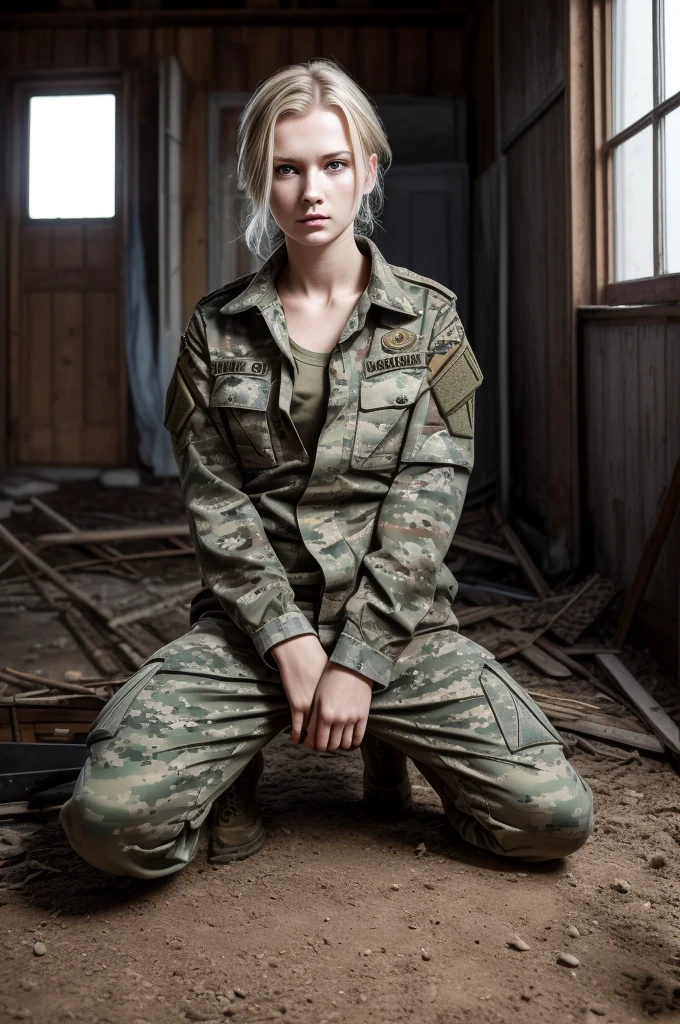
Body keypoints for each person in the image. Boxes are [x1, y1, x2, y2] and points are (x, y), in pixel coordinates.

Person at [60, 59, 593, 879]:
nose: (313, 190)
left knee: (551, 822)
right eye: (287, 168)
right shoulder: (214, 332)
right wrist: (289, 641)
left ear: (368, 171)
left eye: (334, 164)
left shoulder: (431, 322)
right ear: (259, 181)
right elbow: (218, 508)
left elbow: (428, 510)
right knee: (107, 825)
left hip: (399, 627)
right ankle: (233, 767)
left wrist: (359, 660)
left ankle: (394, 733)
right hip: (250, 632)